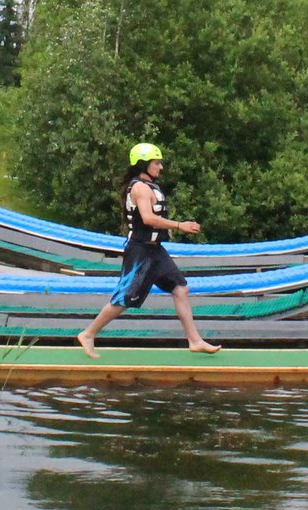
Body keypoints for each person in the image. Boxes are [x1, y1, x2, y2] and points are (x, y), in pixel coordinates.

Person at [76, 143, 221, 357]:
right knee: (125, 298)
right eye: (156, 163)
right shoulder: (140, 188)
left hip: (155, 251)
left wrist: (165, 231)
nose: (160, 167)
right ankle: (88, 334)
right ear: (143, 164)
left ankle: (195, 340)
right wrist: (178, 225)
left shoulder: (150, 186)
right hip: (140, 253)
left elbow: (153, 219)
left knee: (180, 289)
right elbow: (148, 218)